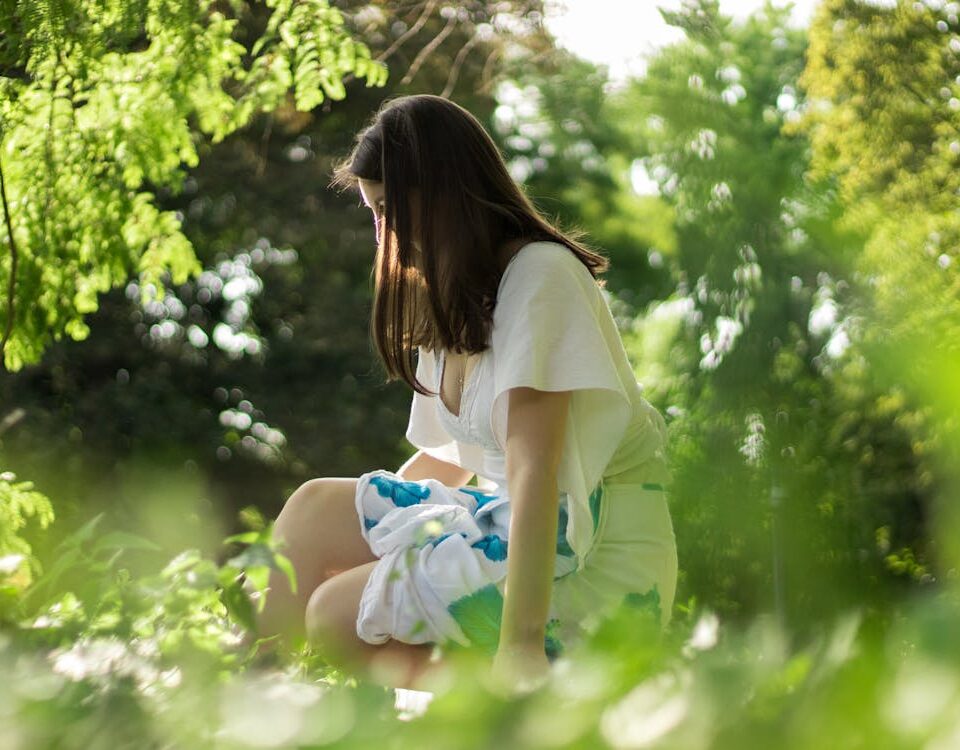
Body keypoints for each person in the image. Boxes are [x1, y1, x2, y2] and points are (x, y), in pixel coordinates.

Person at [253, 94, 677, 695]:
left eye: (392, 212)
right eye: (374, 214)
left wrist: (520, 644)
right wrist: (378, 544)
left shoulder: (540, 275)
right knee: (313, 508)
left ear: (444, 196)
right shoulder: (453, 293)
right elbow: (447, 457)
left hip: (584, 544)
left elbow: (536, 471)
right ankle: (236, 693)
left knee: (332, 613)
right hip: (503, 519)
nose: (386, 235)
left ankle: (520, 710)